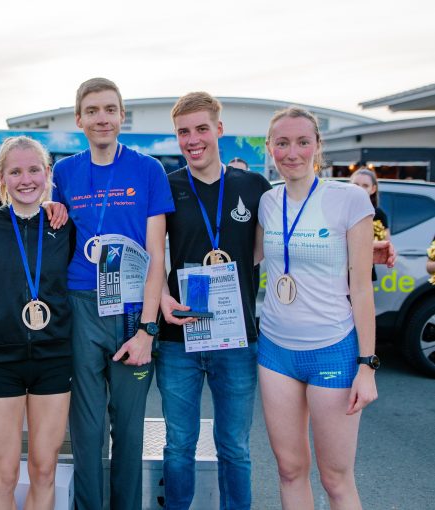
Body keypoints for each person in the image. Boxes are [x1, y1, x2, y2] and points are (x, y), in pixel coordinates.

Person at [50, 77, 174, 509]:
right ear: (79, 118)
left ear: (122, 116)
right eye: (93, 110)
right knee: (85, 430)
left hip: (132, 309)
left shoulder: (148, 170)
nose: (102, 118)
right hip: (81, 306)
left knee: (130, 430)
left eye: (110, 109)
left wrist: (147, 330)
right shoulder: (63, 173)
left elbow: (158, 256)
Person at [257, 106, 378, 509]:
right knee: (290, 470)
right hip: (275, 350)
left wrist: (367, 364)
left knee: (335, 478)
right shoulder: (267, 202)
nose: (292, 152)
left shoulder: (350, 199)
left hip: (333, 348)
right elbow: (247, 256)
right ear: (270, 148)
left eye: (302, 142)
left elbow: (361, 289)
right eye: (283, 143)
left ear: (318, 147)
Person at [157, 92, 271, 510]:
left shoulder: (253, 186)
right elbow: (153, 255)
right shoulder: (166, 187)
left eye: (201, 128)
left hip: (236, 337)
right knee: (178, 445)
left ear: (219, 129)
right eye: (183, 132)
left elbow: (270, 248)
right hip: (179, 337)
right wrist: (165, 299)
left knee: (235, 448)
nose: (193, 139)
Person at [0, 136, 74, 508]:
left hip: (52, 358)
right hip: (0, 360)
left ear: (47, 174)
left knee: (45, 469)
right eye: (15, 171)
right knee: (5, 472)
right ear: (1, 177)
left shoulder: (65, 225)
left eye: (34, 170)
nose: (25, 179)